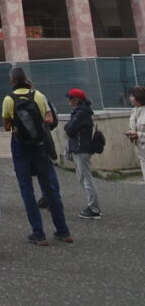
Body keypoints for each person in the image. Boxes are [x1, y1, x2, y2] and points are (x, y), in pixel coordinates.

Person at [2, 66, 73, 246]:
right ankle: (63, 230)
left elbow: (6, 126)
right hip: (40, 146)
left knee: (27, 189)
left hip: (20, 147)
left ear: (12, 81)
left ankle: (38, 233)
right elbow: (49, 120)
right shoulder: (39, 96)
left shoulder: (8, 99)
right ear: (25, 78)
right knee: (50, 187)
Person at [64, 88, 101, 219]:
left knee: (86, 178)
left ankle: (94, 209)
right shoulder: (81, 112)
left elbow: (68, 128)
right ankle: (92, 205)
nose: (68, 100)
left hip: (81, 149)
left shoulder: (81, 113)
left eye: (70, 98)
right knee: (82, 177)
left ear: (77, 100)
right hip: (80, 148)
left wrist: (70, 128)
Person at [126, 86, 145, 182]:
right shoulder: (134, 111)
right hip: (141, 152)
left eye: (132, 96)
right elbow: (133, 127)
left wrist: (139, 135)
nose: (130, 98)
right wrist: (131, 133)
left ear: (139, 97)